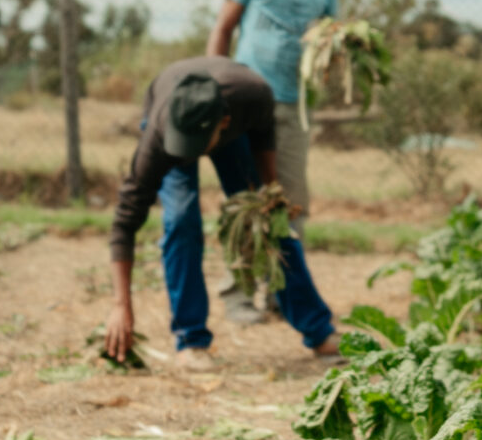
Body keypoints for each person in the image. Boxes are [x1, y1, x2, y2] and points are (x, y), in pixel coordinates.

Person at [98, 57, 338, 368]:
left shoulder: (254, 95)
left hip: (233, 132)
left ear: (223, 124)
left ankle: (319, 333)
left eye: (194, 146)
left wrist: (270, 194)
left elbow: (264, 139)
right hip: (168, 116)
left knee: (265, 219)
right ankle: (191, 341)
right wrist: (120, 305)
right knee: (181, 220)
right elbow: (124, 223)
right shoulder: (160, 139)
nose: (187, 156)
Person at [206, 0, 336, 320]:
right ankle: (239, 296)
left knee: (289, 201)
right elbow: (223, 28)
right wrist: (214, 88)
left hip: (293, 108)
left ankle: (285, 296)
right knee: (245, 199)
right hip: (245, 103)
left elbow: (327, 50)